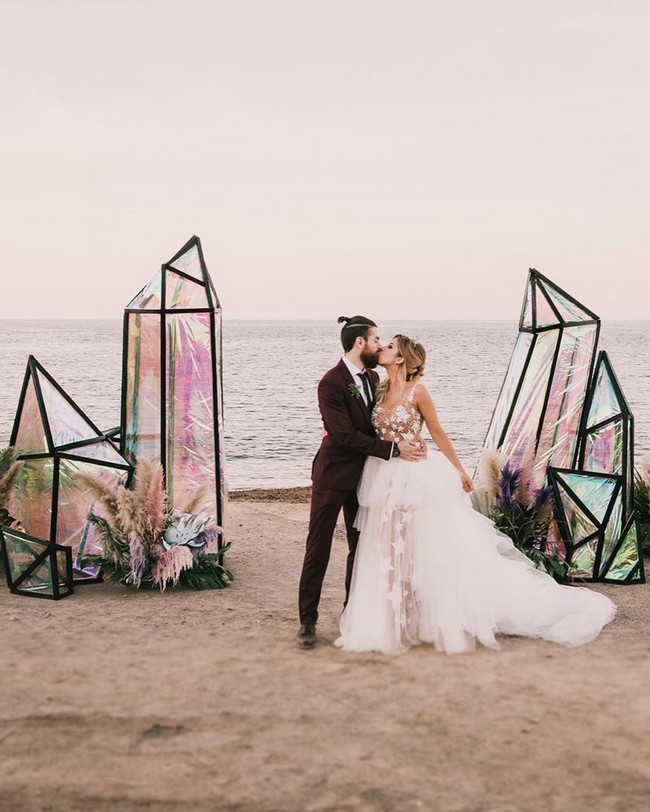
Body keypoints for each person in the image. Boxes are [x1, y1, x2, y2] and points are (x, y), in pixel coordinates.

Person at [336, 334, 616, 655]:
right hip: (382, 476)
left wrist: (459, 470)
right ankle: (390, 616)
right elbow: (363, 426)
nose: (381, 349)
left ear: (400, 359)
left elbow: (437, 432)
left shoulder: (419, 392)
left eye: (388, 347)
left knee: (416, 545)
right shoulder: (379, 388)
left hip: (414, 477)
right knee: (385, 545)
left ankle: (416, 615)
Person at [297, 317, 425, 649]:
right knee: (318, 547)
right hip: (333, 475)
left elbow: (384, 420)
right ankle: (307, 622)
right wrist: (394, 450)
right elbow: (343, 436)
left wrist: (413, 439)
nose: (379, 345)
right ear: (360, 344)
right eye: (376, 339)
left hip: (367, 478)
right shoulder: (331, 382)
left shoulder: (372, 377)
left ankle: (349, 614)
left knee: (362, 548)